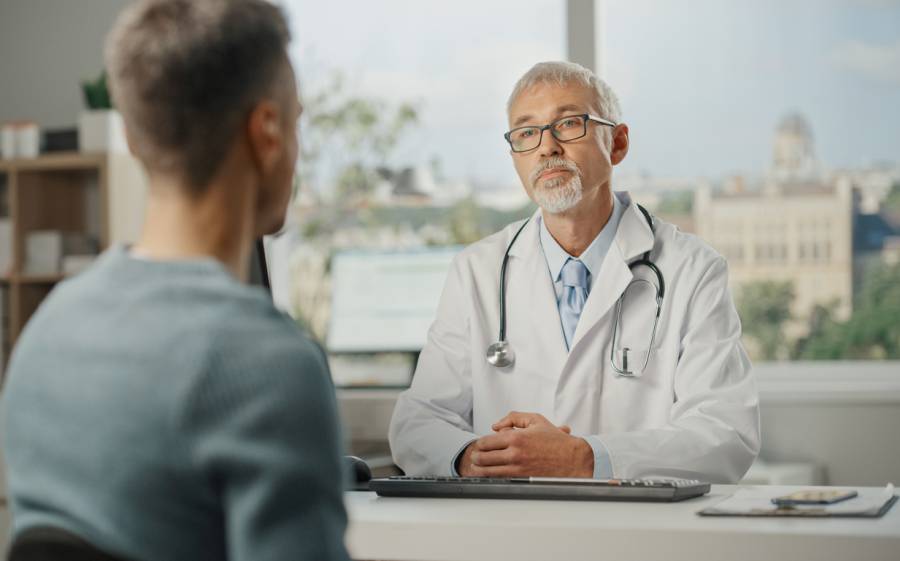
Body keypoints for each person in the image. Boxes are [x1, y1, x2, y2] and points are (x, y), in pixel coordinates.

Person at [2, 1, 350, 560]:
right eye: (295, 120)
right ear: (267, 134)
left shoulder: (46, 331)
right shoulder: (267, 367)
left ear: (139, 140)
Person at [389, 61, 760, 483]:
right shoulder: (477, 270)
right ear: (515, 156)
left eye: (568, 123)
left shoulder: (692, 270)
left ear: (617, 144)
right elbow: (417, 420)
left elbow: (725, 433)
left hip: (637, 538)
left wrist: (584, 458)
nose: (546, 148)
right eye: (527, 133)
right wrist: (468, 457)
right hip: (509, 536)